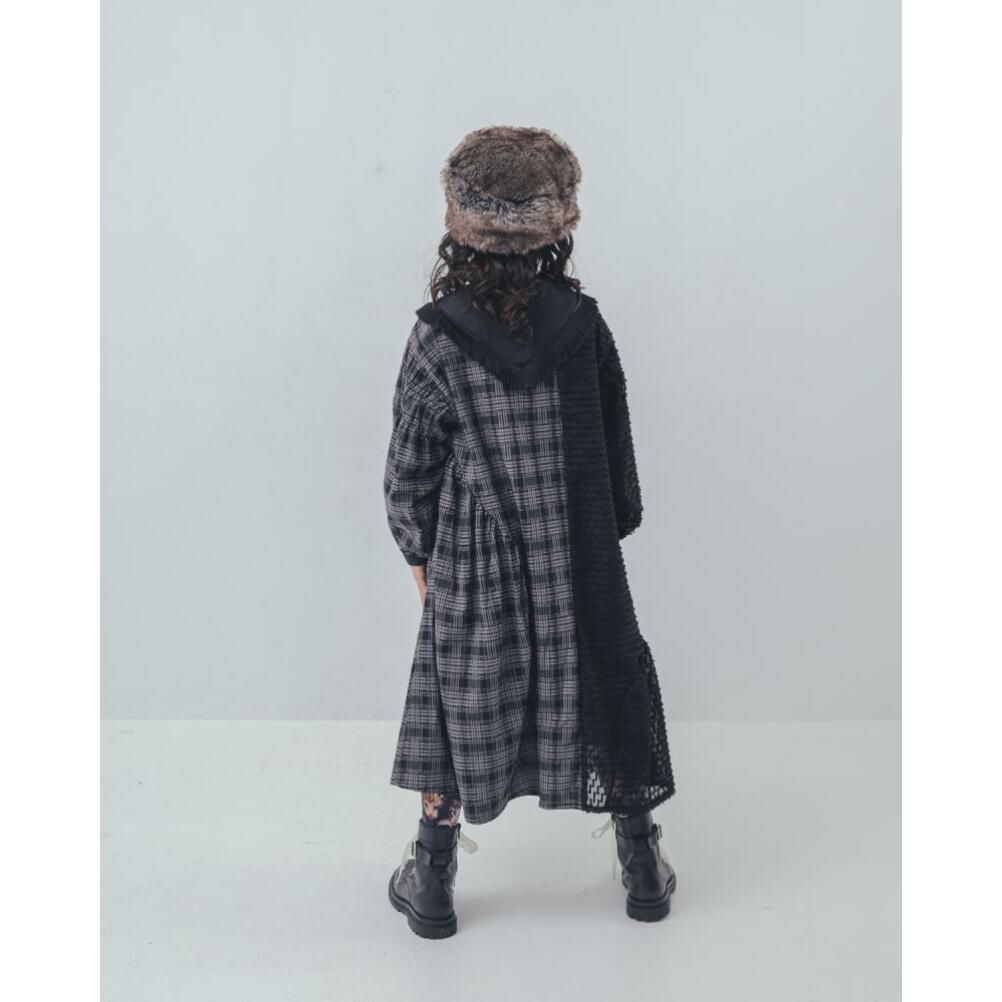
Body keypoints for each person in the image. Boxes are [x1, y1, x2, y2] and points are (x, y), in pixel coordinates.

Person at [384, 126, 676, 938]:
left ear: (461, 226)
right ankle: (641, 863)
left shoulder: (436, 334)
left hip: (473, 560)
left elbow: (409, 468)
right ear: (557, 226)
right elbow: (615, 453)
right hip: (577, 554)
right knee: (607, 684)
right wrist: (602, 532)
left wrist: (420, 552)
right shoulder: (582, 324)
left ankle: (433, 878)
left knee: (453, 694)